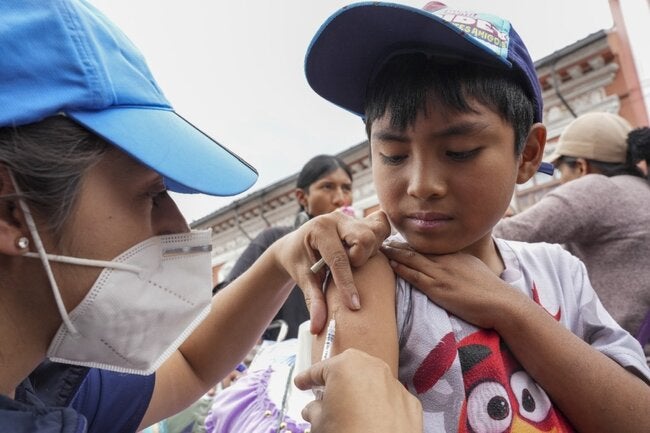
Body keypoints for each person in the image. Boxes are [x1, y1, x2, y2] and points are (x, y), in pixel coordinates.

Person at [0, 1, 409, 432]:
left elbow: (189, 363)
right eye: (152, 195)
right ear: (11, 211)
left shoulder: (43, 386)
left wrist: (279, 259)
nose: (178, 227)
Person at [300, 2, 650, 433]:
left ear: (528, 154)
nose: (421, 185)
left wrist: (510, 309)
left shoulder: (561, 273)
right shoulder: (368, 275)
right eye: (393, 155)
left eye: (459, 152)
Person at [492, 112, 650, 356]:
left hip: (627, 359)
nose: (561, 181)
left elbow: (508, 234)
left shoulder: (597, 189)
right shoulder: (641, 189)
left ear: (581, 166)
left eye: (560, 171)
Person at [221, 154, 354, 339]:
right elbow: (223, 306)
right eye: (327, 186)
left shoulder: (358, 253)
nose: (340, 199)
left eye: (346, 188)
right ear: (302, 197)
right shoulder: (273, 241)